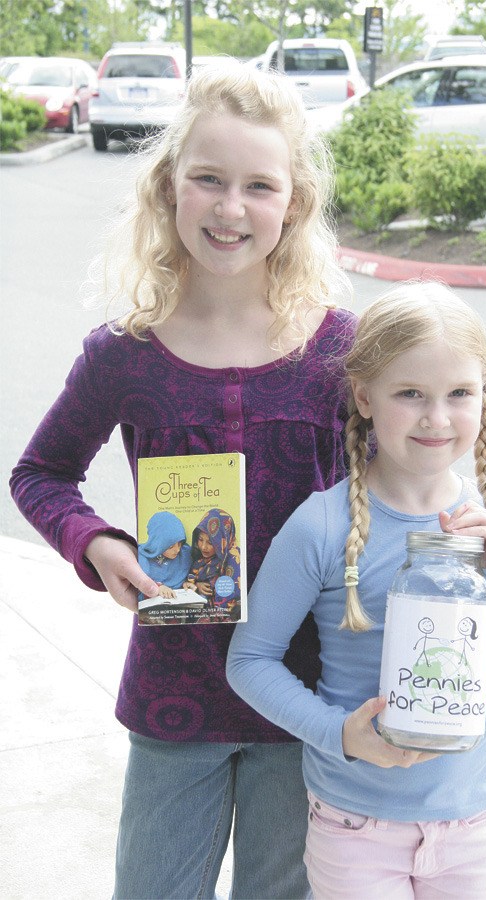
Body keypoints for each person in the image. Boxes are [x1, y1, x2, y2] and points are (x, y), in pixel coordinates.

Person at [10, 62, 355, 899]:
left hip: (303, 696)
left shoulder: (341, 351)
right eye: (208, 179)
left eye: (258, 186)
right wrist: (98, 546)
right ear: (169, 188)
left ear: (294, 203)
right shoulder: (124, 353)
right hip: (176, 692)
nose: (231, 207)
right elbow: (41, 473)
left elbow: (387, 504)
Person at [227, 282, 486, 899]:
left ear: (483, 395)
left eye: (459, 393)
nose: (436, 417)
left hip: (472, 822)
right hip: (355, 825)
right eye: (410, 394)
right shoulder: (324, 525)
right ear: (364, 396)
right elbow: (249, 660)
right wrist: (339, 733)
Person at [183, 508, 241, 618]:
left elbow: (231, 603)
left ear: (223, 539)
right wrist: (196, 585)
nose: (203, 547)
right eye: (200, 540)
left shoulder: (233, 558)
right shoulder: (199, 559)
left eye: (210, 542)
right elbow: (190, 580)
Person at [138, 510, 192, 599]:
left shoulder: (184, 554)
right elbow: (138, 584)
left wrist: (187, 583)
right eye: (170, 546)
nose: (177, 550)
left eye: (180, 543)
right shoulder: (142, 557)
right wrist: (157, 587)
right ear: (158, 543)